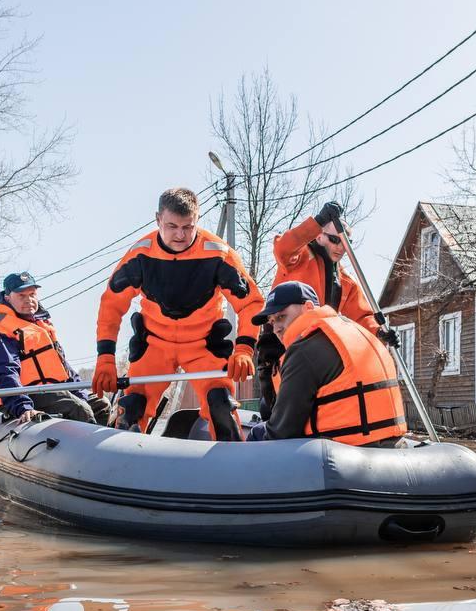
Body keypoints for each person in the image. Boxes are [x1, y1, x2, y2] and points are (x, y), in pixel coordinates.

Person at [90, 187, 264, 440]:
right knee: (133, 407)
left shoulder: (218, 253)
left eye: (188, 227)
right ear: (158, 219)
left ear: (197, 221)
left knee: (221, 406)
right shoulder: (140, 255)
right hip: (154, 344)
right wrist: (105, 357)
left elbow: (250, 303)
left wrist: (245, 348)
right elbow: (111, 304)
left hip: (203, 345)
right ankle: (120, 467)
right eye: (172, 226)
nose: (180, 235)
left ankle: (232, 467)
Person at [256, 201, 401, 416]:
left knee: (312, 399)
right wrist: (318, 221)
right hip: (280, 339)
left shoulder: (344, 281)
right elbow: (283, 247)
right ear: (319, 236)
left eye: (345, 242)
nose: (340, 247)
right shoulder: (298, 257)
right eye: (334, 240)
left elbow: (362, 315)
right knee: (276, 401)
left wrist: (380, 332)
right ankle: (270, 428)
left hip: (314, 345)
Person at [245, 281, 407, 447]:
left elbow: (280, 432)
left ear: (308, 307)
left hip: (346, 453)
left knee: (257, 433)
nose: (276, 328)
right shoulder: (356, 331)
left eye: (281, 317)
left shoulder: (304, 350)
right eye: (272, 322)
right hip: (393, 446)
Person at [0, 271, 110, 425]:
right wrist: (22, 407)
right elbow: (4, 373)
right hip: (27, 395)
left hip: (53, 391)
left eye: (32, 294)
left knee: (102, 404)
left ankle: (102, 445)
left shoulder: (42, 327)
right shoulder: (1, 332)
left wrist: (80, 392)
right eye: (22, 295)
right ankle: (88, 447)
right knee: (80, 409)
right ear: (7, 298)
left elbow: (64, 368)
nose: (29, 300)